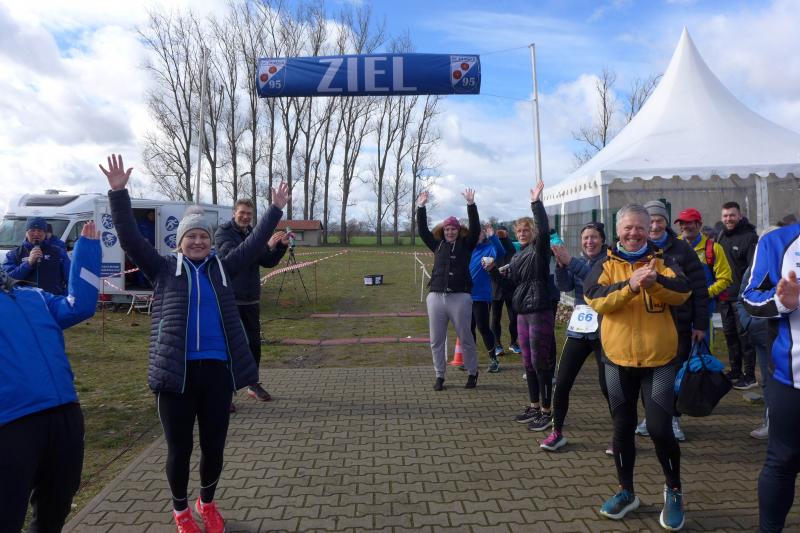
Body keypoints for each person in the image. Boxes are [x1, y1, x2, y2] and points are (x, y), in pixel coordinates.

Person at [101, 154, 287, 533]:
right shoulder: (163, 269)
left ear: (210, 241)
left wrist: (275, 209)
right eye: (191, 236)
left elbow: (255, 244)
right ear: (180, 242)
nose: (199, 241)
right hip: (176, 377)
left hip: (217, 374)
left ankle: (207, 502)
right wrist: (118, 194)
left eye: (203, 236)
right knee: (180, 450)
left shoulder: (223, 268)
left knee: (214, 446)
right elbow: (130, 238)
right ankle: (181, 512)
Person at [584, 204, 690, 529]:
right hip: (616, 361)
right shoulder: (605, 263)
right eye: (628, 227)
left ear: (651, 229)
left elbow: (683, 291)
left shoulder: (664, 260)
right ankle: (626, 491)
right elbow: (594, 297)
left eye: (640, 227)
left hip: (660, 361)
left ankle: (674, 490)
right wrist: (630, 286)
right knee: (622, 427)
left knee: (659, 428)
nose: (634, 233)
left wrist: (654, 281)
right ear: (618, 230)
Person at [0, 222, 101, 532]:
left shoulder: (33, 296)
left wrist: (87, 251)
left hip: (65, 415)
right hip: (12, 423)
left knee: (54, 511)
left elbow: (80, 307)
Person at [633, 202, 711, 442]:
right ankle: (651, 416)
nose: (655, 226)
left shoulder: (681, 249)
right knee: (647, 372)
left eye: (659, 220)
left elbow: (699, 288)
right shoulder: (637, 248)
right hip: (648, 324)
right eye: (650, 221)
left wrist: (700, 324)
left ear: (666, 222)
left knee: (674, 373)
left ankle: (674, 418)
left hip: (679, 324)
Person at [741, 222, 800, 532]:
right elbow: (750, 298)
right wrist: (782, 303)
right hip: (792, 378)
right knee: (783, 460)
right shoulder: (778, 241)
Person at [489, 181, 556, 431]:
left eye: (526, 230)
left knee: (541, 362)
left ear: (533, 232)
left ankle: (547, 411)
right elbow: (510, 284)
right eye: (519, 231)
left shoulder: (540, 249)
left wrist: (536, 203)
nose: (522, 233)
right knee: (527, 362)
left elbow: (544, 227)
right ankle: (534, 405)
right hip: (522, 312)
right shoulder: (517, 256)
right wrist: (492, 271)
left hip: (539, 309)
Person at [540, 221, 609, 452]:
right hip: (580, 328)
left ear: (603, 240)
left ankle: (620, 436)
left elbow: (596, 281)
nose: (589, 242)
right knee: (562, 381)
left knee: (608, 385)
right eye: (585, 238)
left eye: (594, 237)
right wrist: (561, 266)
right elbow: (564, 286)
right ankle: (557, 432)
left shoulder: (610, 261)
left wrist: (570, 262)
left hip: (604, 330)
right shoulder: (577, 260)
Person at [215, 198, 289, 403]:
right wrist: (264, 245)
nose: (246, 217)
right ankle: (225, 391)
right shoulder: (223, 233)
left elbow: (266, 261)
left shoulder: (252, 234)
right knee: (229, 346)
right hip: (231, 299)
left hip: (251, 299)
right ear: (234, 213)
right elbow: (236, 257)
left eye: (249, 214)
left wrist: (279, 248)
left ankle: (252, 383)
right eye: (242, 213)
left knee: (254, 345)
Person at [416, 188, 481, 390]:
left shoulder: (466, 244)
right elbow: (423, 231)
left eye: (453, 229)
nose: (450, 232)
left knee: (466, 337)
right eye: (447, 229)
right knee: (436, 340)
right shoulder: (437, 245)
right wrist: (421, 207)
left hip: (460, 297)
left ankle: (472, 372)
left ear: (458, 230)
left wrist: (471, 205)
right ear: (443, 231)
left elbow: (475, 228)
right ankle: (439, 375)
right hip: (436, 296)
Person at [717, 201, 759, 390]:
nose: (728, 219)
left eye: (732, 215)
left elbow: (753, 269)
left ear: (739, 216)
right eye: (725, 216)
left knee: (745, 337)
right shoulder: (721, 236)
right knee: (730, 334)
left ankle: (750, 376)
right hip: (724, 296)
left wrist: (748, 294)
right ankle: (735, 371)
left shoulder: (749, 237)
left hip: (741, 299)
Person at [470, 223, 506, 373]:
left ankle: (493, 360)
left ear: (484, 234)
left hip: (482, 296)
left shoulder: (489, 248)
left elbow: (501, 252)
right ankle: (471, 360)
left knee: (483, 328)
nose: (477, 235)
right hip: (465, 296)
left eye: (480, 232)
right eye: (474, 233)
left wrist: (493, 236)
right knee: (468, 329)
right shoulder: (468, 248)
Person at [3, 216, 71, 295]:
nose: (36, 234)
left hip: (52, 300)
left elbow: (71, 278)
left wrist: (63, 298)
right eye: (32, 230)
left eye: (40, 230)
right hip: (25, 300)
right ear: (26, 233)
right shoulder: (14, 254)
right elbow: (7, 280)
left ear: (45, 233)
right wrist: (28, 263)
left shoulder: (58, 252)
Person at [490, 225, 520, 356]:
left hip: (510, 288)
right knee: (495, 318)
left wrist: (505, 237)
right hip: (496, 288)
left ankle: (513, 343)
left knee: (514, 317)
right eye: (499, 234)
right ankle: (497, 344)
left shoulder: (512, 248)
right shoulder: (493, 248)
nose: (501, 235)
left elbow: (510, 248)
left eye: (503, 233)